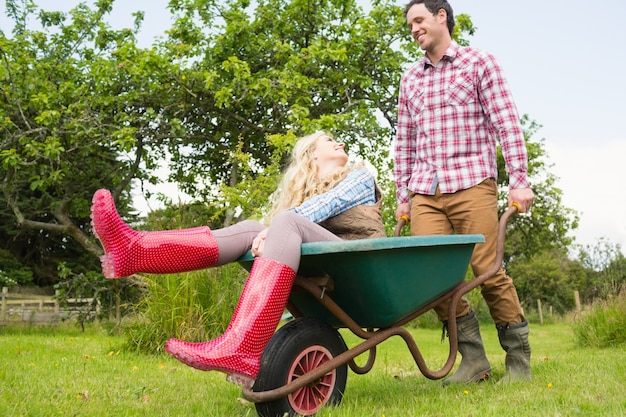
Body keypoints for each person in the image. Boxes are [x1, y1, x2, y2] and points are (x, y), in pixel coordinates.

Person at [90, 131, 385, 387]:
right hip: (335, 276)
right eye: (329, 140)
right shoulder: (303, 201)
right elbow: (294, 219)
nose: (340, 143)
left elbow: (327, 204)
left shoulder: (359, 176)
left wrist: (277, 229)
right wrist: (268, 234)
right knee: (251, 229)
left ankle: (242, 345)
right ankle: (134, 250)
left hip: (364, 269)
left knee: (281, 223)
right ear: (311, 154)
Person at [394, 0, 535, 384]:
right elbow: (404, 143)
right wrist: (402, 196)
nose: (414, 29)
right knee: (431, 280)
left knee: (488, 271)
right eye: (410, 25)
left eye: (419, 20)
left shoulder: (479, 63)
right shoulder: (411, 79)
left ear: (442, 17)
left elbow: (507, 123)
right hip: (426, 191)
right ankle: (473, 360)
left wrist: (519, 179)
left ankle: (518, 362)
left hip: (472, 182)